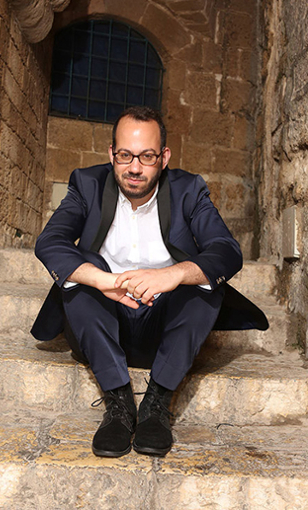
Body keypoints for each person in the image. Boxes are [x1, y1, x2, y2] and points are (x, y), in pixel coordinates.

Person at [32, 106, 268, 458]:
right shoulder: (87, 184)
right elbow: (50, 243)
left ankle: (157, 400)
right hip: (101, 327)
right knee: (85, 264)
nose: (135, 167)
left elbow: (226, 251)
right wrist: (102, 280)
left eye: (147, 156)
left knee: (200, 274)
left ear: (164, 157)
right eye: (125, 155)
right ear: (112, 153)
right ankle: (119, 403)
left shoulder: (189, 190)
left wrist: (172, 274)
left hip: (165, 332)